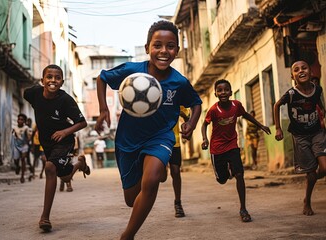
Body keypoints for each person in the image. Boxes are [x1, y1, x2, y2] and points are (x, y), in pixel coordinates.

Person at [95, 20, 202, 239]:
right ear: (147, 48)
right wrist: (103, 109)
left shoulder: (178, 82)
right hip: (128, 139)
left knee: (151, 181)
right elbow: (102, 77)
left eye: (170, 46)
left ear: (177, 51)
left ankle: (128, 235)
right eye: (158, 45)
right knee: (131, 199)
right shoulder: (132, 72)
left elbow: (196, 102)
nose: (164, 51)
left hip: (160, 137)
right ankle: (155, 170)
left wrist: (191, 124)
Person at [24, 64, 91, 232]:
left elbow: (82, 122)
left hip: (64, 141)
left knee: (49, 167)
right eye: (49, 77)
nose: (53, 80)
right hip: (47, 143)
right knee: (66, 177)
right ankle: (80, 164)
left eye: (57, 78)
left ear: (62, 82)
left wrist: (64, 131)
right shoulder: (33, 93)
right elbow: (29, 96)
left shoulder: (65, 100)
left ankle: (45, 217)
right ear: (42, 80)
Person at [201, 79, 271, 223]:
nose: (223, 93)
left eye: (226, 90)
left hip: (232, 145)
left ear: (231, 92)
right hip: (217, 149)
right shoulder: (214, 110)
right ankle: (226, 171)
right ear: (215, 94)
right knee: (222, 179)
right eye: (219, 90)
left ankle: (243, 209)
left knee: (239, 174)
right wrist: (205, 139)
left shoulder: (236, 105)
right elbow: (204, 125)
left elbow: (246, 115)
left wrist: (261, 125)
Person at [274, 60, 326, 216]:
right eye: (296, 70)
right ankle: (307, 201)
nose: (301, 71)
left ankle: (312, 177)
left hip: (317, 132)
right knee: (310, 173)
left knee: (324, 167)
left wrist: (323, 117)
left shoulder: (318, 89)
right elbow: (276, 105)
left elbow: (320, 104)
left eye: (304, 68)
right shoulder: (291, 94)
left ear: (311, 72)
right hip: (300, 136)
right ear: (292, 76)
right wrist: (278, 128)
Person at [170, 106, 189, 218]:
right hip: (157, 141)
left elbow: (187, 115)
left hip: (174, 141)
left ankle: (178, 203)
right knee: (160, 176)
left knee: (176, 172)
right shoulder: (152, 94)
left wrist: (186, 120)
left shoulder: (173, 94)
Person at [12, 113, 30, 183]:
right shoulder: (15, 128)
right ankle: (17, 166)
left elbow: (29, 138)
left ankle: (22, 176)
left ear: (24, 121)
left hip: (24, 146)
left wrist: (28, 142)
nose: (20, 121)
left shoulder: (26, 128)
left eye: (22, 120)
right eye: (19, 119)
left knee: (23, 159)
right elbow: (13, 137)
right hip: (16, 146)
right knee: (16, 160)